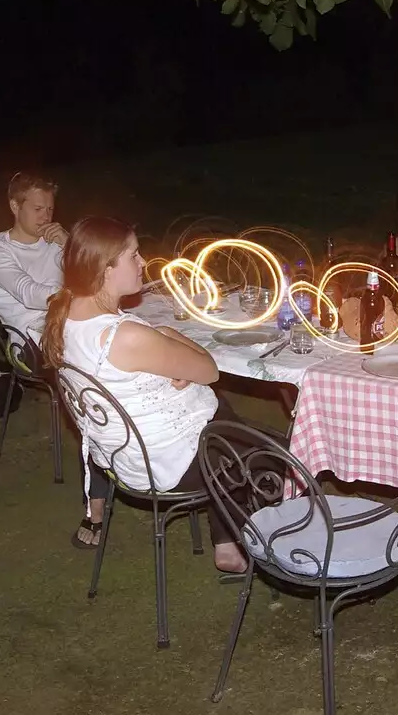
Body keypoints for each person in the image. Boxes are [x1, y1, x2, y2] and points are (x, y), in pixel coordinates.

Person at [41, 216, 252, 574]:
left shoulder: (62, 319)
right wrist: (169, 334)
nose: (144, 263)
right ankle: (258, 535)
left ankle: (228, 541)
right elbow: (210, 369)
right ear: (105, 269)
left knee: (221, 416)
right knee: (270, 454)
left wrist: (164, 361)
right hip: (167, 466)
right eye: (134, 256)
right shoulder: (125, 335)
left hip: (121, 460)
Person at [0, 172, 67, 344]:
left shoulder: (56, 240)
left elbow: (90, 272)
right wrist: (80, 297)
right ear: (15, 206)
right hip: (30, 338)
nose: (46, 217)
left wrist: (70, 245)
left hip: (68, 320)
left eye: (50, 209)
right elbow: (29, 293)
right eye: (37, 209)